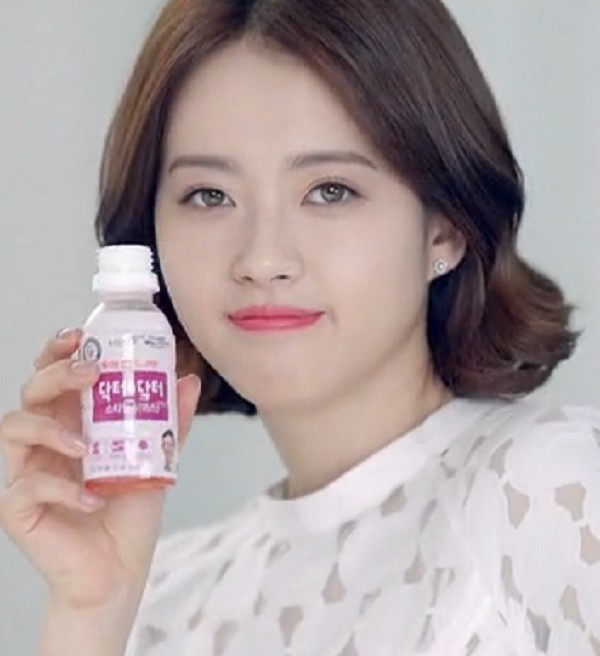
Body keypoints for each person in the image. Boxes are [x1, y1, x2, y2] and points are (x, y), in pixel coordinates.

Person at [1, 0, 599, 654]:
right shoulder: (167, 600)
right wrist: (92, 613)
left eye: (330, 190)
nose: (262, 260)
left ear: (445, 229)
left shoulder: (557, 494)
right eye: (209, 195)